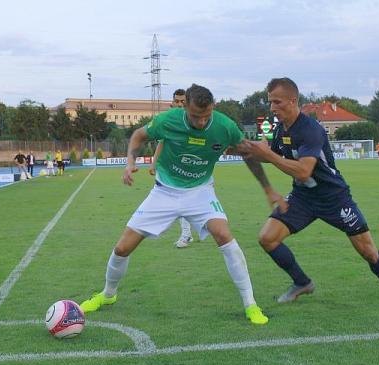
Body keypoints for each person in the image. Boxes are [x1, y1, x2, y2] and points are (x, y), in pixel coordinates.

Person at [79, 84, 269, 324]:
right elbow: (139, 135)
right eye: (195, 116)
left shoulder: (225, 126)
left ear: (213, 108)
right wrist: (129, 162)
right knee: (122, 248)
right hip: (164, 193)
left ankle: (250, 304)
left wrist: (269, 186)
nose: (201, 122)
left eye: (206, 116)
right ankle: (108, 294)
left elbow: (247, 152)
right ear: (185, 107)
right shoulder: (168, 120)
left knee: (224, 235)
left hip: (200, 192)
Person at [237, 77, 379, 304]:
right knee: (267, 238)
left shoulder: (311, 129)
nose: (272, 108)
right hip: (302, 197)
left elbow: (303, 171)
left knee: (368, 251)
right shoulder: (280, 131)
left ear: (292, 100)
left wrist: (267, 154)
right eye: (270, 102)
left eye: (277, 102)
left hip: (334, 198)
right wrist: (241, 147)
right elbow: (275, 157)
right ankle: (302, 282)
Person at [149, 88, 196, 248]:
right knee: (178, 201)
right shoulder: (169, 122)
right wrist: (154, 162)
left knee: (186, 203)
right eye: (177, 101)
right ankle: (186, 234)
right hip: (172, 170)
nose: (180, 104)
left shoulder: (195, 120)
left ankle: (187, 233)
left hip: (193, 169)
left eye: (183, 101)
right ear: (172, 103)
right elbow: (162, 142)